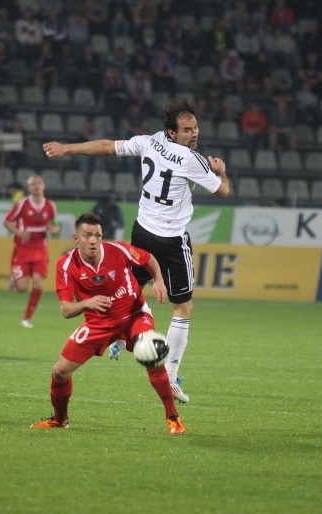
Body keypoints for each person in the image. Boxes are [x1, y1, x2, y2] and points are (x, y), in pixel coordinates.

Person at [42, 99, 230, 403]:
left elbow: (106, 147)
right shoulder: (192, 159)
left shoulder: (149, 142)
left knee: (130, 291)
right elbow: (223, 192)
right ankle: (169, 376)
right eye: (186, 129)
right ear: (171, 131)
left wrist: (67, 148)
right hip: (170, 239)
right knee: (182, 308)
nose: (193, 133)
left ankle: (118, 337)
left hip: (142, 232)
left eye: (195, 127)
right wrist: (221, 171)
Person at [30, 212, 185, 435]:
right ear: (76, 238)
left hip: (134, 315)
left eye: (97, 235)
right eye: (87, 235)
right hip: (99, 324)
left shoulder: (118, 250)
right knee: (61, 371)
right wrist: (87, 303)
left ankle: (173, 418)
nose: (93, 240)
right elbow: (65, 310)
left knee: (152, 354)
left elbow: (147, 258)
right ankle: (59, 419)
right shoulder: (66, 265)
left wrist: (158, 280)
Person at [3, 174, 60, 328]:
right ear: (29, 188)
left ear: (44, 186)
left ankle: (26, 318)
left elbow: (55, 224)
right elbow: (7, 221)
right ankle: (15, 279)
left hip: (41, 249)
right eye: (33, 184)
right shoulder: (22, 204)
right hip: (23, 249)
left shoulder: (50, 206)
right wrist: (19, 233)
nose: (36, 186)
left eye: (38, 183)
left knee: (38, 283)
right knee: (21, 288)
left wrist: (53, 228)